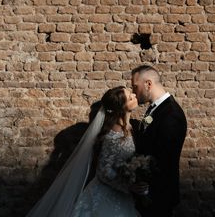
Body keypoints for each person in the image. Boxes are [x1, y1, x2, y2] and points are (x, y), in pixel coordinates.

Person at [27, 86, 142, 217]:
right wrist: (128, 186)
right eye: (130, 97)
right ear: (121, 107)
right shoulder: (113, 135)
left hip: (123, 197)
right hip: (108, 197)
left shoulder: (130, 127)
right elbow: (104, 171)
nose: (134, 95)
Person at [131, 65, 187, 217]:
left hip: (158, 194)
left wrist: (145, 189)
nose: (134, 93)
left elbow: (165, 159)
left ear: (148, 84)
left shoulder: (171, 115)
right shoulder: (156, 109)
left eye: (135, 87)